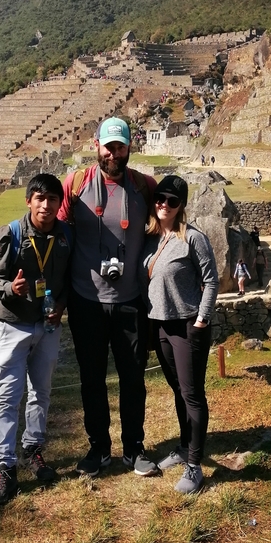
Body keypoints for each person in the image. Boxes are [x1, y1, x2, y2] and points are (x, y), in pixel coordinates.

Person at [58, 117, 158, 478]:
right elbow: (57, 232)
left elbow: (168, 226)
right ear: (95, 146)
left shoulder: (145, 186)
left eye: (120, 146)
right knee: (92, 378)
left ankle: (134, 449)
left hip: (130, 300)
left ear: (130, 147)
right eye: (108, 146)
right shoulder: (76, 184)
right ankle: (98, 448)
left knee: (133, 378)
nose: (114, 153)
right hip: (87, 301)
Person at [0, 174, 73, 506]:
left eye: (52, 199)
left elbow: (65, 282)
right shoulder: (11, 235)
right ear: (28, 201)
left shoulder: (65, 237)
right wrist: (11, 289)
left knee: (42, 393)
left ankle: (33, 450)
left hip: (48, 327)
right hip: (14, 327)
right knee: (8, 397)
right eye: (40, 198)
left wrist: (59, 306)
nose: (46, 206)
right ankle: (4, 467)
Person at [142, 176, 219, 494]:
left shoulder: (193, 238)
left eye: (172, 201)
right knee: (177, 390)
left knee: (192, 394)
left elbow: (211, 280)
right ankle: (185, 447)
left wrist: (202, 319)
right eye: (160, 198)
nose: (164, 204)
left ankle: (195, 466)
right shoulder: (150, 237)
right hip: (160, 325)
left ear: (181, 206)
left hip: (187, 325)